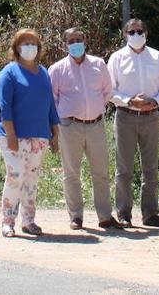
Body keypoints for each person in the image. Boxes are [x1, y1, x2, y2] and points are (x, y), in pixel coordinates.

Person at [49, 27, 119, 230]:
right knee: (71, 173)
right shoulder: (57, 69)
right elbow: (52, 99)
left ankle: (105, 216)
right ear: (65, 44)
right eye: (71, 41)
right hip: (69, 126)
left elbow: (107, 91)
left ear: (85, 40)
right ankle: (76, 216)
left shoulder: (98, 64)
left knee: (101, 172)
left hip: (96, 125)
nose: (75, 43)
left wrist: (95, 108)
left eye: (78, 39)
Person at [0, 28, 61, 237]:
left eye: (33, 43)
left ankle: (29, 221)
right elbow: (4, 107)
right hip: (13, 135)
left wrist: (55, 132)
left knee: (31, 178)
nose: (30, 47)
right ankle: (8, 221)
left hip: (39, 135)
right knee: (16, 176)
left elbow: (50, 105)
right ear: (16, 48)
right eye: (25, 43)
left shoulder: (43, 73)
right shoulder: (9, 73)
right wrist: (11, 135)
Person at [107, 17, 159, 228]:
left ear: (146, 33)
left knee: (151, 168)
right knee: (124, 168)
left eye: (139, 31)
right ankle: (124, 213)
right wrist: (129, 101)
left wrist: (155, 102)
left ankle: (151, 214)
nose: (136, 35)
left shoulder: (156, 56)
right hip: (125, 116)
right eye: (131, 32)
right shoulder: (117, 58)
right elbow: (109, 90)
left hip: (150, 117)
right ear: (125, 34)